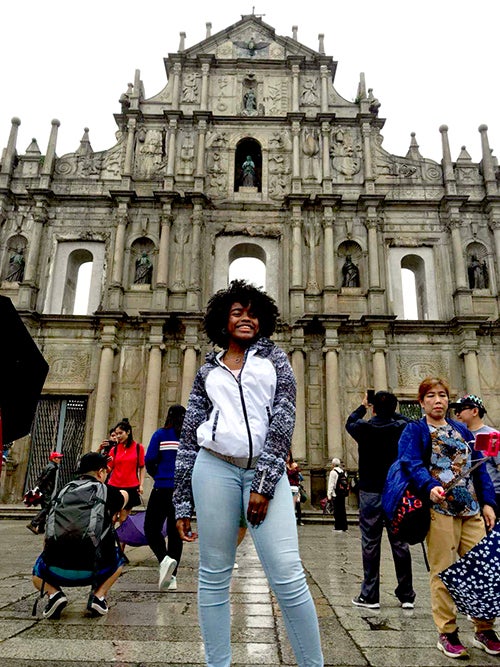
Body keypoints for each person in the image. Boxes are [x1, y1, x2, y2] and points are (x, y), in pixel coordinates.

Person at [173, 279, 324, 667]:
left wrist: (263, 482)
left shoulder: (276, 361)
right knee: (213, 575)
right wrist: (181, 501)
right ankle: (217, 664)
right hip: (214, 469)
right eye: (238, 312)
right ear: (223, 321)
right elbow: (191, 434)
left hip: (263, 473)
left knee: (288, 575)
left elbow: (284, 421)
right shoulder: (208, 368)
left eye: (253, 313)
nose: (246, 318)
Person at [398, 377, 498, 658]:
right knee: (442, 571)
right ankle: (447, 632)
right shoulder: (414, 430)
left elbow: (479, 469)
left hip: (471, 509)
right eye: (430, 395)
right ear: (421, 402)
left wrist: (488, 503)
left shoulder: (462, 430)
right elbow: (411, 464)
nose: (437, 400)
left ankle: (484, 629)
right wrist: (430, 487)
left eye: (442, 395)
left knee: (482, 570)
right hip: (439, 509)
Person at [32, 452, 128, 618]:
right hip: (94, 570)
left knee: (37, 571)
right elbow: (126, 496)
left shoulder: (63, 491)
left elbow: (48, 533)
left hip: (56, 569)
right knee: (119, 556)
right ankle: (98, 597)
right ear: (100, 472)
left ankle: (54, 594)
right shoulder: (106, 491)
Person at [346, 392, 415, 609]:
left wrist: (363, 406)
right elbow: (412, 422)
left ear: (373, 408)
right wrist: (390, 411)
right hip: (395, 492)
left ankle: (370, 595)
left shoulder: (363, 429)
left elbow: (350, 421)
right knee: (400, 542)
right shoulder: (401, 428)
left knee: (370, 543)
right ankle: (406, 595)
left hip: (370, 493)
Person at [144, 404, 186, 591]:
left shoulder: (160, 435)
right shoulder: (188, 439)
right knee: (176, 532)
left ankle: (164, 559)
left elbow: (149, 460)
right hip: (182, 490)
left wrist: (158, 475)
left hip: (162, 488)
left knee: (151, 528)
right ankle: (173, 576)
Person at [451, 393, 500, 509]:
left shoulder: (492, 436)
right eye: (455, 411)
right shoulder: (455, 437)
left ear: (475, 411)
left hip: (493, 497)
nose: (457, 414)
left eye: (461, 409)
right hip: (467, 497)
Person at [106, 418, 145, 527]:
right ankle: (109, 542)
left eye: (120, 433)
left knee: (123, 518)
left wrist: (141, 484)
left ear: (128, 432)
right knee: (112, 517)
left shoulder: (138, 448)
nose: (118, 436)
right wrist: (104, 463)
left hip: (131, 486)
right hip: (114, 485)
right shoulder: (114, 449)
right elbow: (109, 468)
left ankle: (121, 543)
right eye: (116, 434)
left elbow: (142, 467)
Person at [27, 451, 63, 535]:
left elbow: (40, 477)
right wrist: (39, 487)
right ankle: (33, 523)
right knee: (47, 507)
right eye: (58, 458)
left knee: (44, 508)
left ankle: (41, 528)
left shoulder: (48, 466)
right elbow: (45, 478)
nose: (60, 459)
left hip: (44, 490)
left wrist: (38, 487)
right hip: (46, 490)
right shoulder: (52, 467)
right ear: (54, 458)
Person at [327, 458, 348, 532]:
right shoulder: (343, 471)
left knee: (337, 511)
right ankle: (344, 526)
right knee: (342, 510)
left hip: (336, 494)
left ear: (333, 464)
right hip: (342, 493)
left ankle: (338, 527)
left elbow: (331, 484)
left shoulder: (333, 472)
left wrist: (329, 495)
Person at [286, 451, 303, 525]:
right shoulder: (283, 465)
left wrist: (294, 469)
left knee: (295, 504)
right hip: (286, 487)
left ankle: (297, 519)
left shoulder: (294, 465)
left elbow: (297, 477)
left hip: (294, 488)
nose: (287, 457)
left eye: (288, 456)